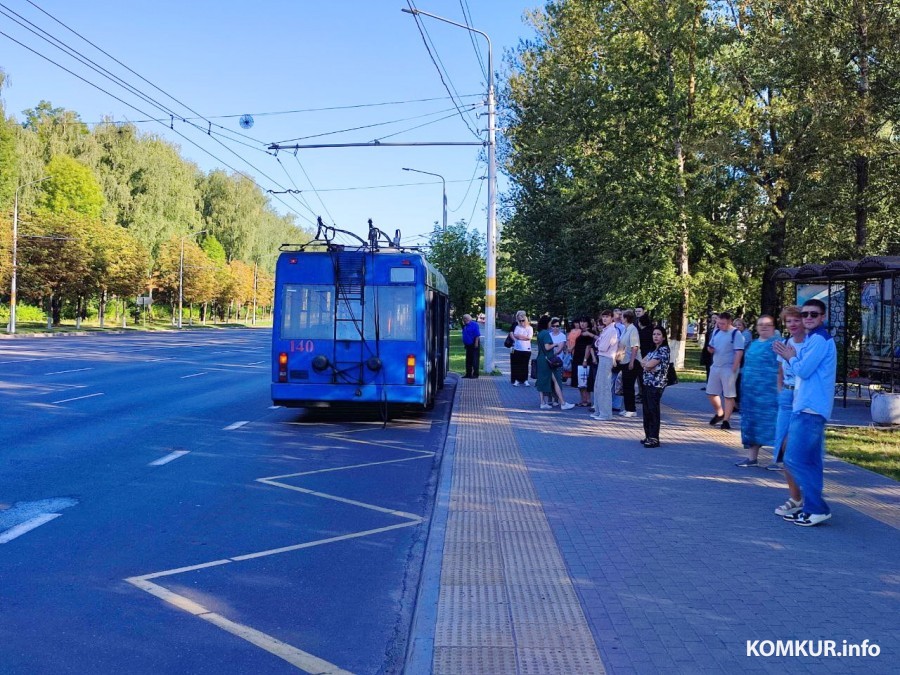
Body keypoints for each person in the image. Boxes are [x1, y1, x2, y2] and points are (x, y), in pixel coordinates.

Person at [773, 299, 837, 527]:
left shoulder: (820, 339)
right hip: (806, 405)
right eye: (806, 314)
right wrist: (792, 357)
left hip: (811, 408)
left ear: (822, 317)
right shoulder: (813, 338)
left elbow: (804, 370)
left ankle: (817, 508)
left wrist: (791, 356)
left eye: (814, 314)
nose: (808, 317)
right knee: (810, 461)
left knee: (793, 458)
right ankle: (812, 508)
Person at [771, 306, 805, 516]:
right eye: (788, 321)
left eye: (795, 320)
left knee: (794, 448)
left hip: (803, 398)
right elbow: (780, 370)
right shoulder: (785, 343)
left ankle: (804, 497)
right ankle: (795, 497)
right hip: (787, 397)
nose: (792, 324)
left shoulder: (810, 344)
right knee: (783, 452)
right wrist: (781, 390)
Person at [734, 315, 779, 467]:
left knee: (774, 424)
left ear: (773, 326)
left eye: (768, 324)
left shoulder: (778, 344)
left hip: (770, 393)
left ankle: (779, 459)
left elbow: (782, 368)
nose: (764, 327)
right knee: (751, 424)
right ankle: (752, 458)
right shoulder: (753, 344)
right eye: (760, 324)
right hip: (751, 393)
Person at [706, 311, 744, 430]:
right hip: (716, 366)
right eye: (718, 323)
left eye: (723, 324)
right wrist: (710, 349)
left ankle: (726, 420)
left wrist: (734, 367)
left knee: (729, 395)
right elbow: (711, 347)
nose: (720, 326)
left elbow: (739, 352)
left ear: (729, 322)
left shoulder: (736, 334)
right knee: (711, 393)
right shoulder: (716, 331)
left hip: (728, 367)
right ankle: (720, 413)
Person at [639, 326, 671, 447]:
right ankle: (648, 435)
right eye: (654, 334)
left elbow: (649, 364)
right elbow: (643, 362)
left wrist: (647, 366)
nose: (656, 336)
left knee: (653, 410)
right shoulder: (653, 350)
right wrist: (647, 366)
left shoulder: (663, 350)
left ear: (663, 337)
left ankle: (654, 438)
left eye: (658, 334)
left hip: (656, 384)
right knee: (646, 410)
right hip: (647, 382)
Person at [535, 316, 575, 410]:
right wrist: (555, 344)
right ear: (547, 323)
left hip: (541, 359)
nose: (551, 324)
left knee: (541, 381)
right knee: (556, 381)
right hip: (548, 360)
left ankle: (542, 402)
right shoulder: (546, 334)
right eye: (550, 322)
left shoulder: (540, 333)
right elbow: (547, 347)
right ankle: (563, 403)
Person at [590, 310, 618, 421]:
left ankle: (605, 413)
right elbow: (597, 343)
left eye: (607, 317)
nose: (604, 319)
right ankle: (598, 410)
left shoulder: (611, 330)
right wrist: (599, 343)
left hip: (607, 358)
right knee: (598, 385)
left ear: (612, 318)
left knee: (604, 387)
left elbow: (602, 347)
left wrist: (599, 344)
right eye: (603, 317)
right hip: (602, 357)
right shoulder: (606, 330)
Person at [618, 310, 641, 418]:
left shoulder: (633, 330)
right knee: (625, 385)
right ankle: (627, 408)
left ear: (626, 318)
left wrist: (632, 362)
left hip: (632, 361)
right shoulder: (625, 329)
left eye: (622, 316)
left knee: (629, 386)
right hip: (624, 360)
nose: (620, 318)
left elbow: (635, 347)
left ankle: (632, 409)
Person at [571, 317, 596, 406]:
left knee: (584, 380)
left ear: (588, 323)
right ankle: (582, 400)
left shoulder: (589, 333)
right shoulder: (581, 332)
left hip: (584, 359)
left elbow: (588, 347)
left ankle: (587, 400)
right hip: (577, 358)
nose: (582, 323)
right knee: (580, 381)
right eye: (581, 321)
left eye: (584, 322)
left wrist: (585, 360)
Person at [510, 311, 533, 386]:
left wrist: (520, 337)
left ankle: (525, 380)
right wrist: (523, 337)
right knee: (518, 365)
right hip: (518, 349)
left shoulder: (530, 328)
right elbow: (515, 335)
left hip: (527, 349)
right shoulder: (517, 327)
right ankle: (517, 380)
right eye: (520, 321)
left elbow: (529, 337)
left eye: (523, 320)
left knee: (525, 365)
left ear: (526, 320)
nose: (521, 322)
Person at [699, 313, 718, 390]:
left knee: (713, 368)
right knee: (708, 368)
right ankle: (708, 385)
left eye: (715, 318)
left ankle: (714, 386)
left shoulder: (719, 329)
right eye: (713, 318)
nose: (714, 319)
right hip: (708, 350)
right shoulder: (710, 327)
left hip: (715, 351)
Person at [461, 314, 480, 378]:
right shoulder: (465, 325)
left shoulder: (474, 324)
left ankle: (475, 374)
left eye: (464, 319)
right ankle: (468, 374)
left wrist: (476, 344)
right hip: (468, 345)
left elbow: (477, 335)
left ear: (467, 319)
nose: (463, 320)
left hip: (474, 344)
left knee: (474, 359)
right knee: (468, 360)